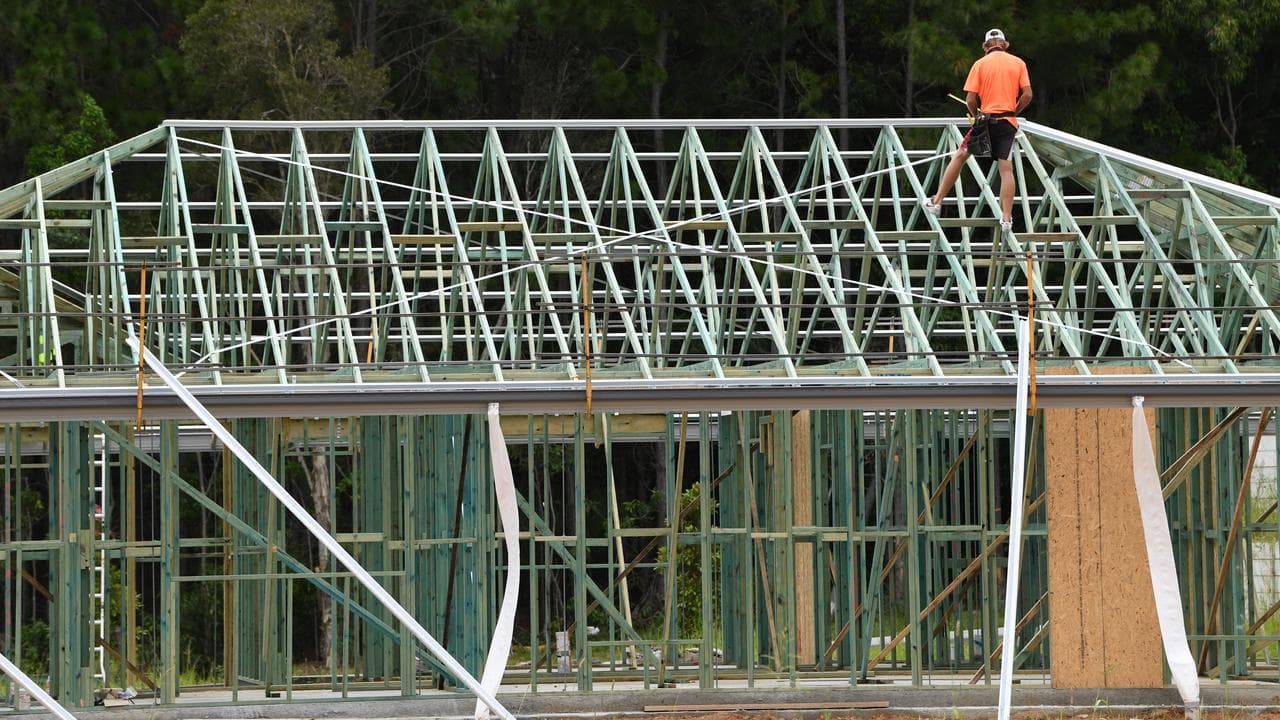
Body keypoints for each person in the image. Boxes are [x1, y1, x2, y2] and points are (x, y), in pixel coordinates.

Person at [923, 28, 1032, 238]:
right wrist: (1014, 111)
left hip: (986, 119)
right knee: (1006, 170)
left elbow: (971, 99)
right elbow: (1027, 94)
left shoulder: (980, 64)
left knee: (961, 155)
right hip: (1007, 121)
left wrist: (975, 115)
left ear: (986, 47)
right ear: (1004, 44)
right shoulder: (1018, 63)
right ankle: (1007, 218)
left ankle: (936, 202)